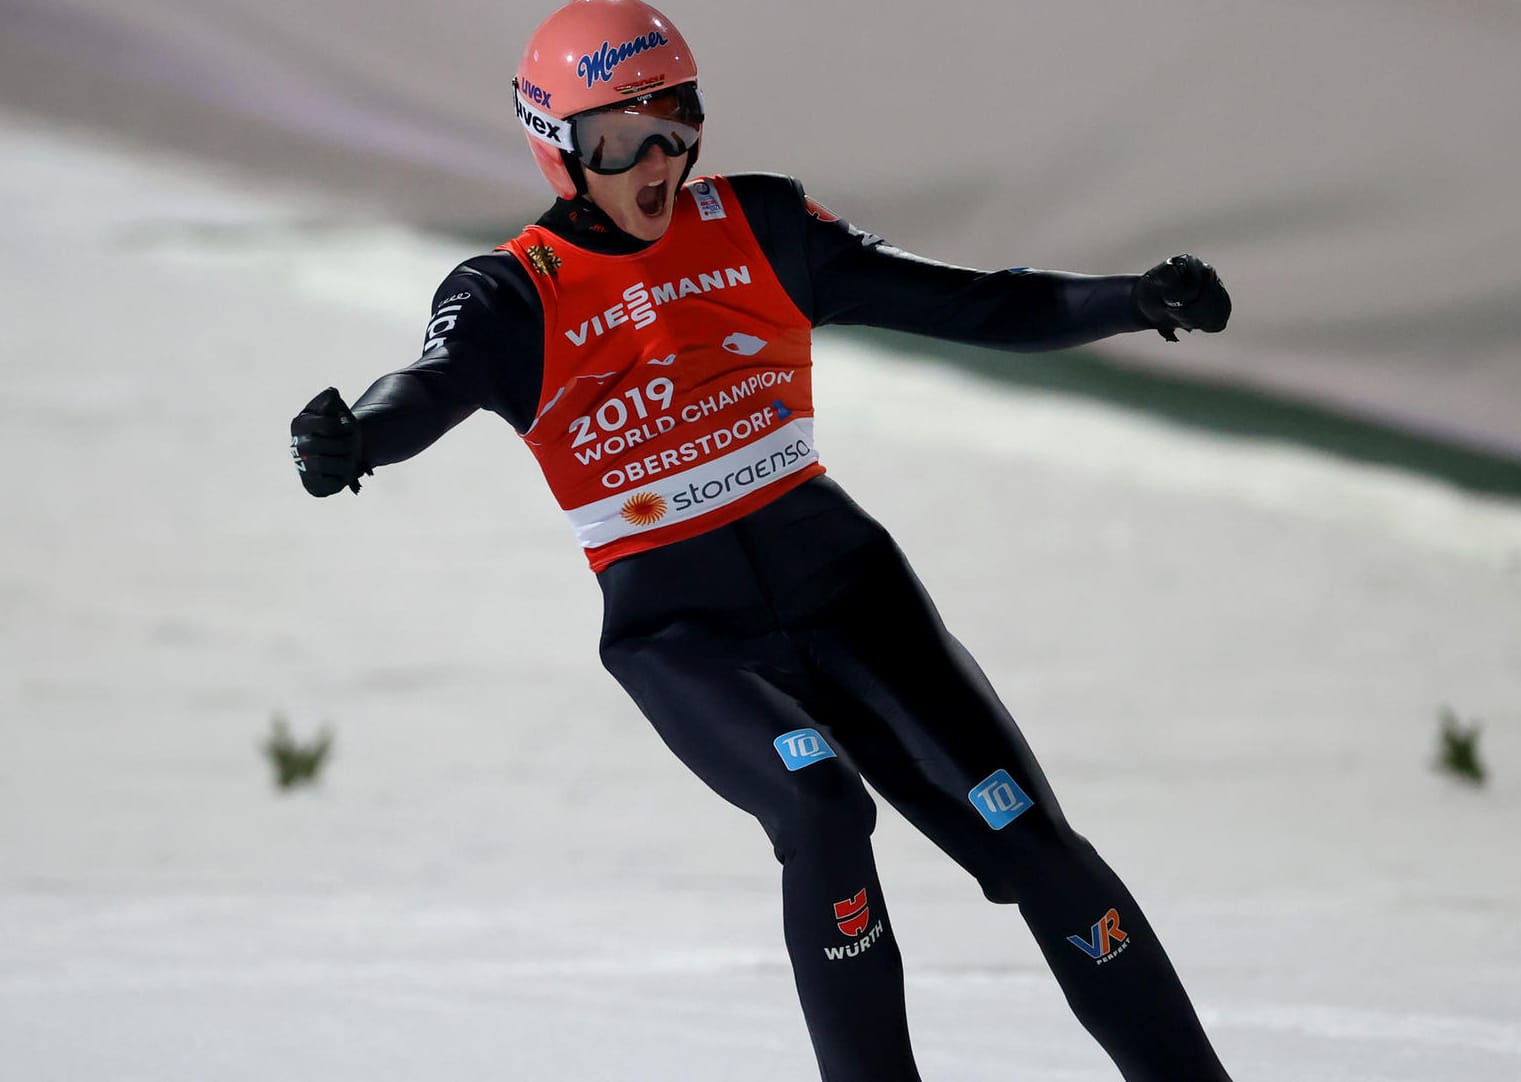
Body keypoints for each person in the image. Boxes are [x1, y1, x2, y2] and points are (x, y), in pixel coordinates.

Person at [289, 1, 1234, 1078]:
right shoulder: (512, 294)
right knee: (821, 802)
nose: (657, 160)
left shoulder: (761, 225)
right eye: (617, 138)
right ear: (556, 149)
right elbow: (428, 383)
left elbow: (975, 305)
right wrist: (356, 435)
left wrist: (1132, 298)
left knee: (1033, 843)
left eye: (675, 122)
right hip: (683, 633)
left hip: (848, 592)